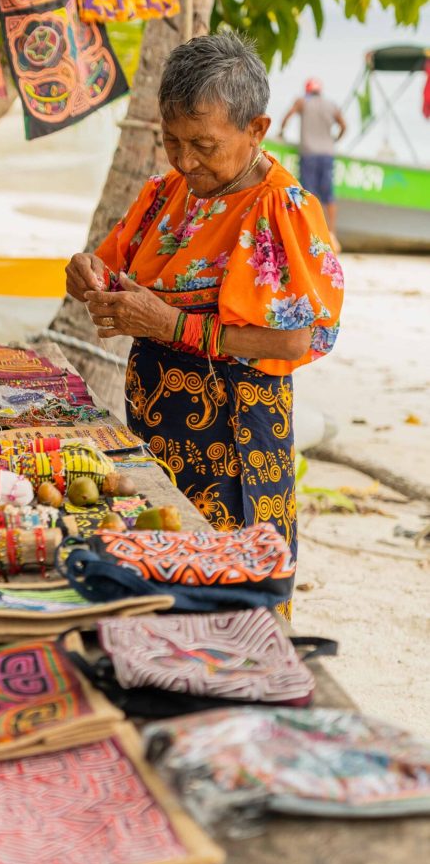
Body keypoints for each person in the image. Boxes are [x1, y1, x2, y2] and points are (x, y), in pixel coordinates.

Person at [65, 32, 344, 601]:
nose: (186, 160)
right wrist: (85, 274)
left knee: (228, 590)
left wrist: (169, 326)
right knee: (161, 575)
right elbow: (110, 266)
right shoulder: (168, 193)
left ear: (256, 130)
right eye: (172, 140)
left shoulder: (279, 210)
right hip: (157, 429)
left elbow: (292, 343)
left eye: (204, 144)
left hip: (235, 442)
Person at [280, 78, 346, 252]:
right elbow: (344, 126)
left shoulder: (303, 101)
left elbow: (287, 117)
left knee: (307, 194)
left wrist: (281, 132)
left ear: (307, 90)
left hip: (309, 153)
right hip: (327, 154)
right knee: (328, 195)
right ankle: (332, 233)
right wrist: (334, 140)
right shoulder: (331, 105)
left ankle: (308, 232)